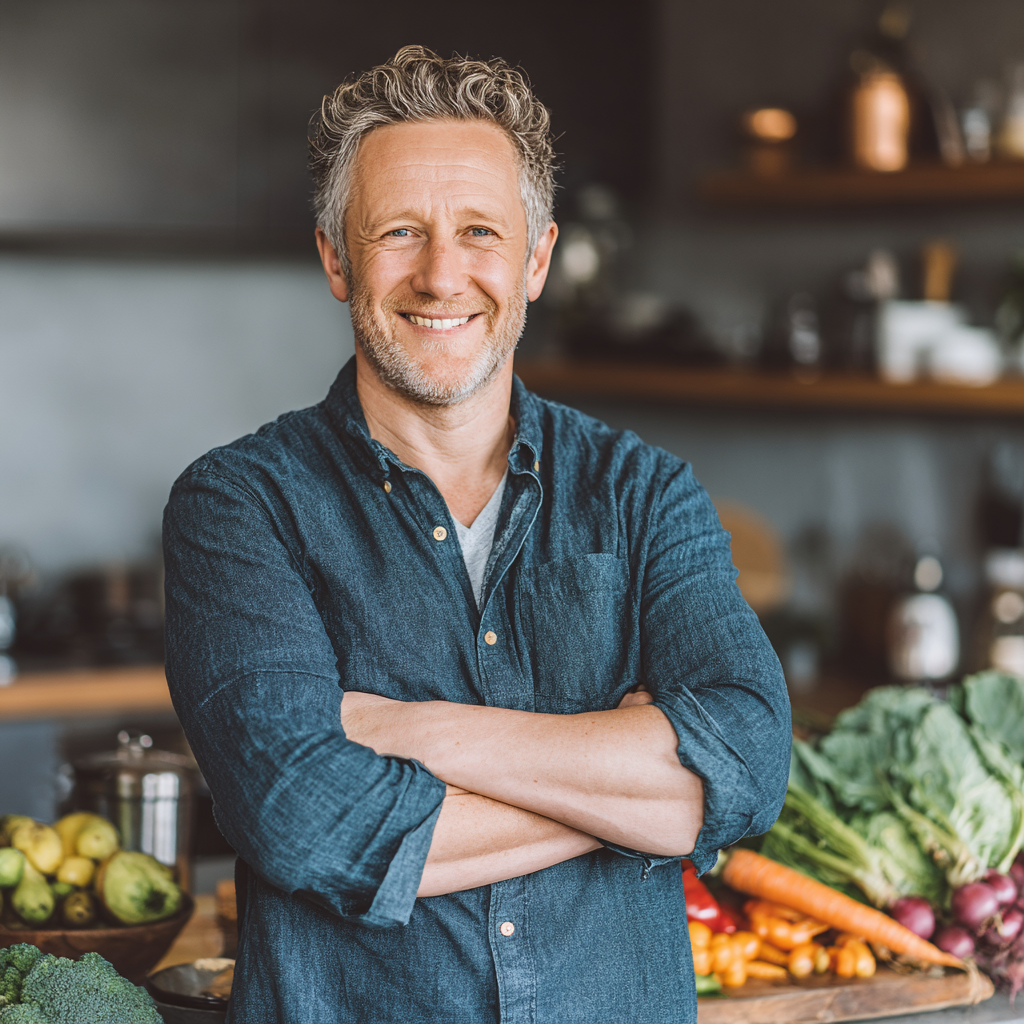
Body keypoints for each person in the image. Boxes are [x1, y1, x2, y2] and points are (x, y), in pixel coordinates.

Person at [163, 44, 790, 1024]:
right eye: (400, 232)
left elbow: (746, 764)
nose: (442, 273)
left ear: (535, 260)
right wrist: (645, 802)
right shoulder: (241, 505)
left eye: (480, 232)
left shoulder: (645, 492)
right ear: (336, 257)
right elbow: (305, 820)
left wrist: (407, 731)